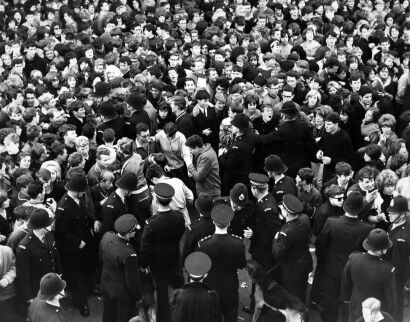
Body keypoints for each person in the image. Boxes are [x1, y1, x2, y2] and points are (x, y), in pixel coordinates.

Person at [315, 191, 372, 322]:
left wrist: (322, 261)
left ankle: (329, 318)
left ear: (345, 206)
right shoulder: (366, 228)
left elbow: (321, 244)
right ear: (360, 209)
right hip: (353, 270)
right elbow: (364, 251)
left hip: (332, 267)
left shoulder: (332, 222)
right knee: (348, 299)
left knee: (330, 298)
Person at [140, 183, 185, 322]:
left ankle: (164, 317)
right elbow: (180, 233)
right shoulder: (178, 217)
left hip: (158, 261)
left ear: (156, 199)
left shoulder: (151, 223)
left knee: (161, 289)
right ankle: (181, 310)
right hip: (174, 255)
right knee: (178, 282)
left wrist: (143, 263)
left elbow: (145, 246)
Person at [55, 173, 98, 317]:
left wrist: (93, 221)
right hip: (73, 248)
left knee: (86, 269)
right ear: (76, 190)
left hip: (84, 241)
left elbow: (84, 214)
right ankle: (81, 303)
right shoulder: (64, 206)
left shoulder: (77, 199)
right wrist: (77, 242)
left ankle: (90, 288)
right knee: (76, 277)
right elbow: (62, 231)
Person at [198, 204, 246, 322]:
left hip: (212, 287)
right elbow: (241, 265)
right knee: (231, 316)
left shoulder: (203, 244)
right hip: (230, 286)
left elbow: (202, 268)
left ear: (213, 222)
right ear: (229, 223)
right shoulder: (238, 243)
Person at [244, 173, 281, 314]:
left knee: (258, 280)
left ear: (254, 189)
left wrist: (254, 235)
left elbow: (274, 233)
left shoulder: (268, 208)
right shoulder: (266, 199)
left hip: (263, 253)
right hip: (261, 249)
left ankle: (256, 307)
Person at [342, 229, 397, 322]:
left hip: (355, 307)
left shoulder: (354, 258)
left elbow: (346, 282)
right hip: (375, 313)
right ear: (380, 251)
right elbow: (391, 298)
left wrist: (347, 299)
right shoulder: (387, 269)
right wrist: (389, 315)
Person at [16, 208, 61, 315]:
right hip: (38, 289)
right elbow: (23, 275)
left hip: (51, 282)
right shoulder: (24, 247)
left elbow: (55, 255)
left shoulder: (49, 235)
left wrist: (59, 273)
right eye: (49, 224)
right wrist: (29, 297)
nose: (51, 226)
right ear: (41, 227)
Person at [100, 214, 143, 322]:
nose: (135, 232)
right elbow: (132, 281)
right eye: (134, 230)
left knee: (108, 314)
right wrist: (138, 296)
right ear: (128, 234)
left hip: (106, 283)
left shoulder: (107, 236)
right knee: (123, 317)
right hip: (121, 293)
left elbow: (101, 258)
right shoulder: (129, 254)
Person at [272, 194, 312, 302]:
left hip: (292, 269)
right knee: (301, 290)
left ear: (286, 212)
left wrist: (276, 239)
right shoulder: (305, 218)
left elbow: (277, 254)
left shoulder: (285, 234)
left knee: (294, 296)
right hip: (304, 261)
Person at [171, 252, 220, 322]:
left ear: (187, 272)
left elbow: (175, 319)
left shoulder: (178, 295)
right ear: (205, 275)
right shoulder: (212, 297)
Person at [385, 196, 410, 322]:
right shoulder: (394, 223)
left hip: (401, 275)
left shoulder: (406, 233)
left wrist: (408, 283)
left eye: (393, 212)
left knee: (397, 305)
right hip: (390, 271)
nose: (389, 214)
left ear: (402, 214)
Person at [220, 113, 255, 195]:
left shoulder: (237, 147)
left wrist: (221, 157)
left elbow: (229, 166)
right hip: (244, 174)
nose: (232, 127)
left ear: (238, 128)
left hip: (234, 179)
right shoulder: (250, 137)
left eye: (233, 125)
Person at [182, 193, 215, 261]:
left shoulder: (193, 228)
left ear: (198, 209)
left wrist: (184, 263)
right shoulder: (218, 223)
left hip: (200, 262)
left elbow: (188, 249)